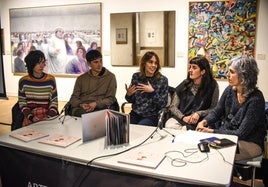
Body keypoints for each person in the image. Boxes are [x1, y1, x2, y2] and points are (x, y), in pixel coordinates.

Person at [196, 55, 267, 161]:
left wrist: (212, 131)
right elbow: (217, 112)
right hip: (229, 136)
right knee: (202, 146)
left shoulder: (256, 99)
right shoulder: (230, 90)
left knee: (216, 154)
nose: (227, 74)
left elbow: (241, 133)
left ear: (244, 76)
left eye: (232, 72)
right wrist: (204, 122)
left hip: (250, 142)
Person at [165, 55, 219, 130]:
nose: (190, 70)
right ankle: (187, 130)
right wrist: (183, 117)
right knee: (169, 125)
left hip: (201, 121)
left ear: (203, 71)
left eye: (194, 67)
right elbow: (173, 107)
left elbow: (214, 108)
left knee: (205, 129)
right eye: (189, 67)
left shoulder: (213, 85)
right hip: (183, 119)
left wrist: (199, 113)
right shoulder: (184, 84)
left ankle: (187, 130)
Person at [125, 51, 168, 126]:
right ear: (144, 63)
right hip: (136, 113)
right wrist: (128, 95)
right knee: (122, 127)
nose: (154, 65)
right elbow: (131, 100)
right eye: (150, 62)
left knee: (140, 128)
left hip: (152, 116)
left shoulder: (162, 80)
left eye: (156, 63)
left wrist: (152, 92)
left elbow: (163, 104)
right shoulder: (136, 77)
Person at [69, 50, 117, 117]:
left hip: (100, 108)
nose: (99, 64)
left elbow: (110, 98)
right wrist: (81, 104)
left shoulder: (110, 77)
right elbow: (74, 98)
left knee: (91, 116)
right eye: (96, 62)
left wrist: (96, 104)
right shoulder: (81, 79)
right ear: (89, 64)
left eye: (101, 61)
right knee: (79, 115)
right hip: (82, 108)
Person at [18, 50, 59, 126]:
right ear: (31, 64)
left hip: (48, 115)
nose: (41, 66)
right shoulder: (23, 81)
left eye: (43, 62)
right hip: (30, 116)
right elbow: (22, 103)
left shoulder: (50, 80)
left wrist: (48, 117)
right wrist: (31, 117)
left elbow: (54, 102)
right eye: (38, 63)